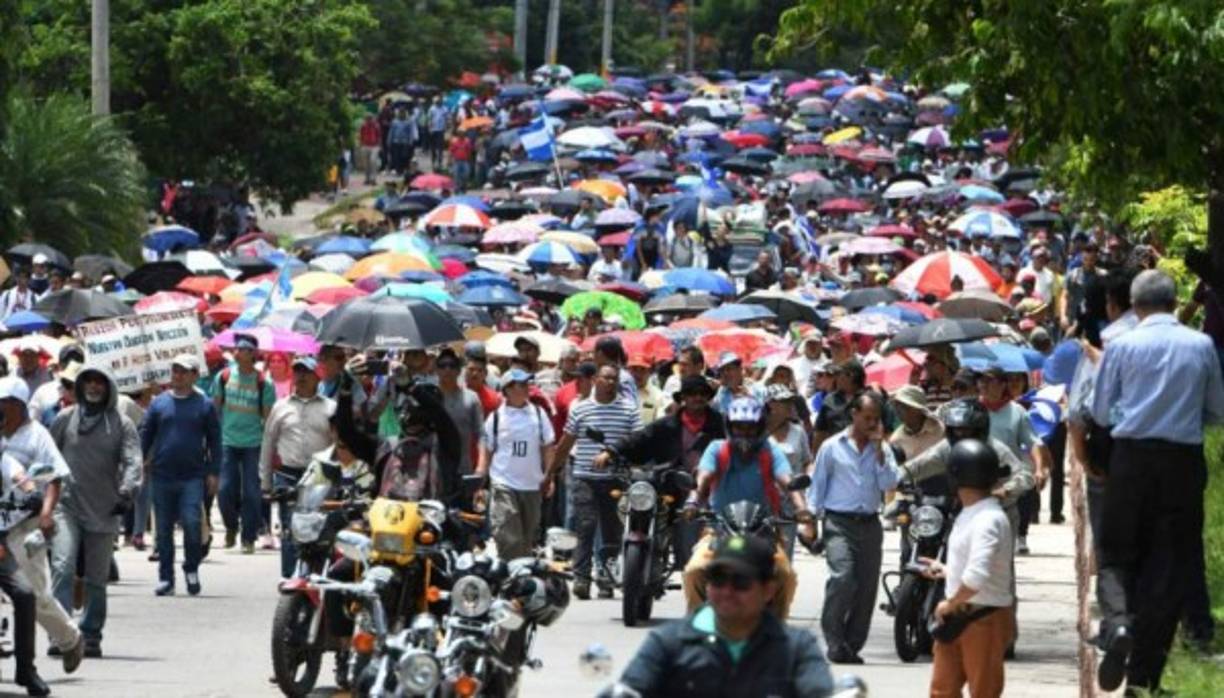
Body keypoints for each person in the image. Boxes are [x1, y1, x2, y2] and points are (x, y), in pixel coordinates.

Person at [1090, 270, 1224, 694]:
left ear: (1134, 304)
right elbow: (1217, 411)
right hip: (1182, 462)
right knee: (1171, 567)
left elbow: (1101, 410)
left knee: (1114, 555)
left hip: (1130, 460)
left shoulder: (1121, 345)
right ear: (1173, 302)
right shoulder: (1200, 345)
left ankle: (1119, 625)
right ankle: (1143, 678)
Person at [615, 533, 835, 698]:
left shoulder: (795, 647)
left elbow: (819, 691)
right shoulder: (668, 643)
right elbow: (628, 689)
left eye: (741, 582)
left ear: (768, 590)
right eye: (718, 579)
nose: (727, 591)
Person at [684, 397, 810, 620]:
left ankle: (778, 629)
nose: (745, 432)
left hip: (763, 533)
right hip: (718, 530)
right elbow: (703, 478)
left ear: (760, 427)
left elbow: (787, 481)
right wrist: (693, 502)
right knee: (694, 571)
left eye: (751, 427)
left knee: (784, 574)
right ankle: (694, 625)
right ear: (729, 427)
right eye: (739, 427)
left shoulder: (769, 451)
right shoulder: (716, 449)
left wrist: (802, 510)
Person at [47, 366, 140, 661]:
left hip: (104, 509)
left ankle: (90, 634)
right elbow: (47, 457)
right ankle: (61, 633)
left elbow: (133, 461)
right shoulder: (64, 419)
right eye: (89, 381)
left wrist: (127, 492)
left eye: (100, 381)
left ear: (108, 387)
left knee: (97, 578)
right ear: (80, 385)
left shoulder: (122, 424)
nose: (94, 386)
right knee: (62, 566)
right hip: (67, 506)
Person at [806, 392, 900, 664]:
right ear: (854, 415)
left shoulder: (881, 447)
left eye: (876, 418)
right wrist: (811, 522)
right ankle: (834, 640)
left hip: (870, 524)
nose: (872, 423)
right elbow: (818, 486)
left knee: (867, 587)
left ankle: (852, 644)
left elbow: (888, 484)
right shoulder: (832, 447)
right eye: (867, 417)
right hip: (838, 522)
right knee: (843, 578)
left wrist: (880, 450)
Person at [0, 375, 83, 679]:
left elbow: (54, 477)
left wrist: (47, 513)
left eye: (6, 403)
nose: (1, 408)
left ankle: (70, 638)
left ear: (20, 406)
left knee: (33, 594)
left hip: (26, 525)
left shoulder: (37, 436)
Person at [925, 440, 1016, 698]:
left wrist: (950, 603)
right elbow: (973, 567)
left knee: (983, 691)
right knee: (942, 690)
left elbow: (976, 577)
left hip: (982, 617)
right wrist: (946, 570)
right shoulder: (973, 513)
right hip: (960, 614)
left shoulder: (988, 519)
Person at [550, 365, 643, 599]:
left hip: (615, 479)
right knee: (586, 527)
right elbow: (566, 442)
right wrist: (551, 472)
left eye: (614, 379)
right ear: (595, 380)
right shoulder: (581, 409)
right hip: (584, 477)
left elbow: (638, 441)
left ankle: (606, 578)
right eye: (606, 378)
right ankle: (581, 578)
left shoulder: (629, 410)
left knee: (612, 531)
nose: (610, 383)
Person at [139, 355, 220, 596]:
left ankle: (191, 568)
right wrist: (139, 463)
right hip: (162, 474)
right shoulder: (158, 404)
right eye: (175, 371)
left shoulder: (204, 405)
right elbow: (146, 435)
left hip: (192, 476)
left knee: (192, 524)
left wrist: (214, 471)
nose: (178, 375)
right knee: (163, 530)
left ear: (195, 375)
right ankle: (166, 578)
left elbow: (215, 441)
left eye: (184, 371)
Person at [260, 356, 335, 579]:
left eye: (306, 372)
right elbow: (268, 443)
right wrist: (265, 482)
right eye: (297, 372)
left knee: (316, 526)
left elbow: (338, 446)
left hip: (319, 476)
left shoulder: (331, 408)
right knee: (289, 526)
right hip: (287, 475)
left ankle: (313, 573)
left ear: (316, 377)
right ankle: (289, 577)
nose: (301, 377)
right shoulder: (280, 407)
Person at [475, 369, 554, 559]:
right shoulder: (495, 418)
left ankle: (523, 578)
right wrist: (479, 479)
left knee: (528, 537)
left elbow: (548, 446)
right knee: (509, 537)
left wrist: (549, 477)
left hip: (532, 486)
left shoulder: (538, 413)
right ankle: (511, 578)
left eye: (528, 384)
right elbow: (487, 451)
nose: (527, 388)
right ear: (508, 389)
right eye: (521, 384)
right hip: (504, 484)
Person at [212, 334, 275, 554]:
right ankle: (231, 526)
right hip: (227, 442)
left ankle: (248, 538)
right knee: (225, 490)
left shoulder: (264, 383)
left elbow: (268, 419)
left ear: (253, 354)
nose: (237, 352)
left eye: (244, 349)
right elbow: (215, 409)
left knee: (251, 493)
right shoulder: (224, 376)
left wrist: (269, 449)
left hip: (253, 444)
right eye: (236, 349)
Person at [435, 349, 484, 476]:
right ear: (436, 370)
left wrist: (481, 465)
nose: (447, 369)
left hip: (462, 468)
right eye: (443, 365)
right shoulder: (428, 396)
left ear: (459, 370)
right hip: (433, 469)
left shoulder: (471, 398)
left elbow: (481, 434)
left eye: (452, 365)